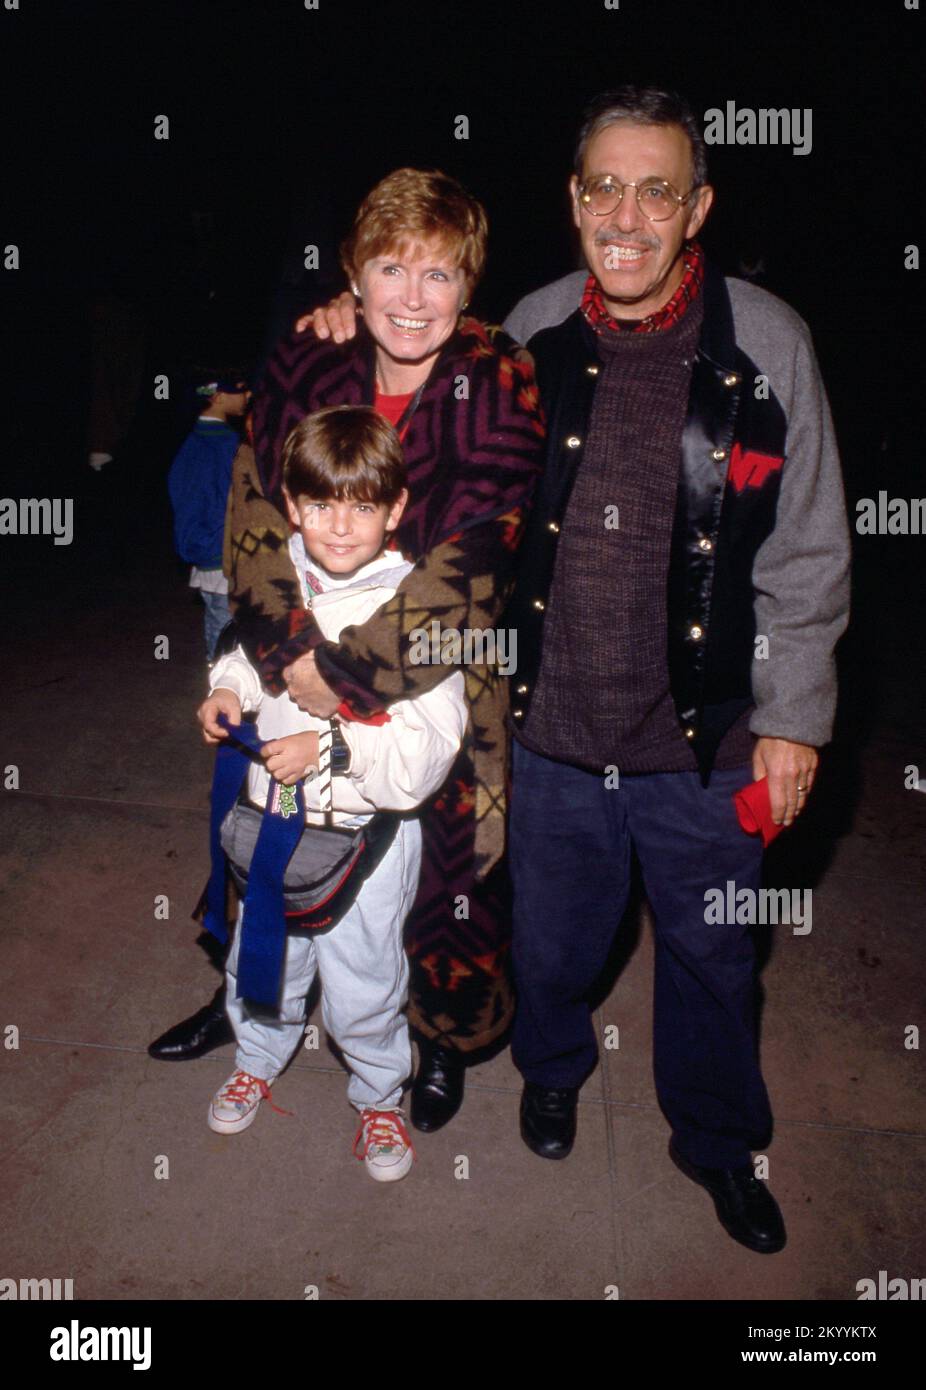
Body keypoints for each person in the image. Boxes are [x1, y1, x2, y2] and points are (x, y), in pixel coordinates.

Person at [500, 86, 850, 1253]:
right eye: (604, 185)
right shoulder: (531, 328)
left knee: (712, 952)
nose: (627, 214)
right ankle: (547, 1068)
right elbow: (461, 500)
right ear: (573, 198)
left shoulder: (767, 343)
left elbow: (804, 546)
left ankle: (713, 1139)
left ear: (696, 207)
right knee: (549, 940)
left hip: (707, 740)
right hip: (551, 725)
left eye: (657, 189)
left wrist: (792, 719)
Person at [149, 169, 545, 1136]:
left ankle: (434, 1039)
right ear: (353, 278)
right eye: (391, 269)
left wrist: (341, 674)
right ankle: (252, 1008)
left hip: (440, 668)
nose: (414, 298)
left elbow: (480, 553)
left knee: (443, 874)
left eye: (440, 276)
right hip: (290, 650)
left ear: (470, 284)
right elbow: (252, 505)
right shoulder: (307, 356)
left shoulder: (501, 378)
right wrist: (286, 652)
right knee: (263, 840)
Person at [198, 405, 467, 1181]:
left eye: (360, 506)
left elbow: (425, 755)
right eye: (320, 505)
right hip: (272, 822)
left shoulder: (418, 610)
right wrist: (226, 690)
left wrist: (330, 745)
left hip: (368, 835)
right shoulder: (282, 577)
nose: (340, 526)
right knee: (264, 958)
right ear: (292, 505)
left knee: (365, 978)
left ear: (395, 509)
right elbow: (249, 655)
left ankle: (379, 1095)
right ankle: (256, 1057)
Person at [167, 368, 251, 660]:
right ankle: (224, 695)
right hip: (224, 556)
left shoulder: (191, 444)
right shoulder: (226, 446)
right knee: (228, 634)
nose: (247, 395)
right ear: (217, 397)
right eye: (239, 389)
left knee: (219, 627)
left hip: (205, 552)